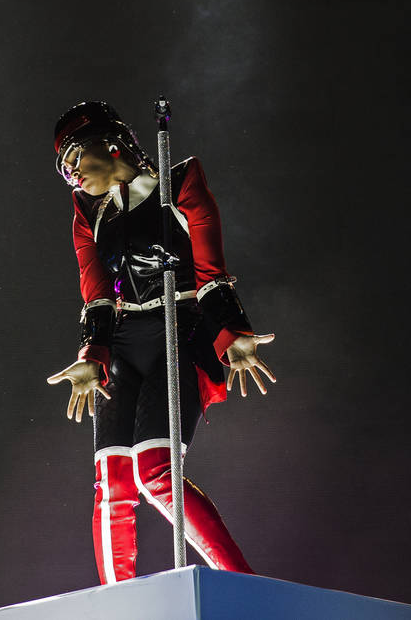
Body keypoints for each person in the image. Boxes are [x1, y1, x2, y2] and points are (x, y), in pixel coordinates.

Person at [47, 101, 275, 585]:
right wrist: (92, 356)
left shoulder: (180, 184)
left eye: (75, 162)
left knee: (155, 473)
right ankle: (117, 601)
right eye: (64, 172)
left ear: (111, 146)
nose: (72, 178)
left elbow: (211, 271)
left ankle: (244, 582)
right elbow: (97, 297)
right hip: (123, 341)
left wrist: (232, 333)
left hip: (179, 328)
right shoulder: (87, 215)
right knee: (112, 483)